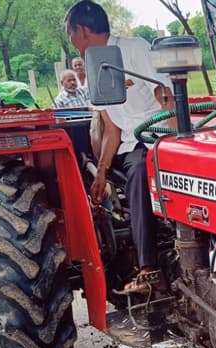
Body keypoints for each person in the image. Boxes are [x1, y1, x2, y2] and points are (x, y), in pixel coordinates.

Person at [64, 0, 175, 292]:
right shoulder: (94, 72)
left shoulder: (133, 49)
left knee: (150, 161)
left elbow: (165, 94)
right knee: (139, 167)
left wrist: (175, 143)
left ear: (83, 30)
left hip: (160, 134)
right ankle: (149, 268)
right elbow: (113, 129)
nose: (72, 43)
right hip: (132, 146)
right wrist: (101, 173)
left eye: (71, 34)